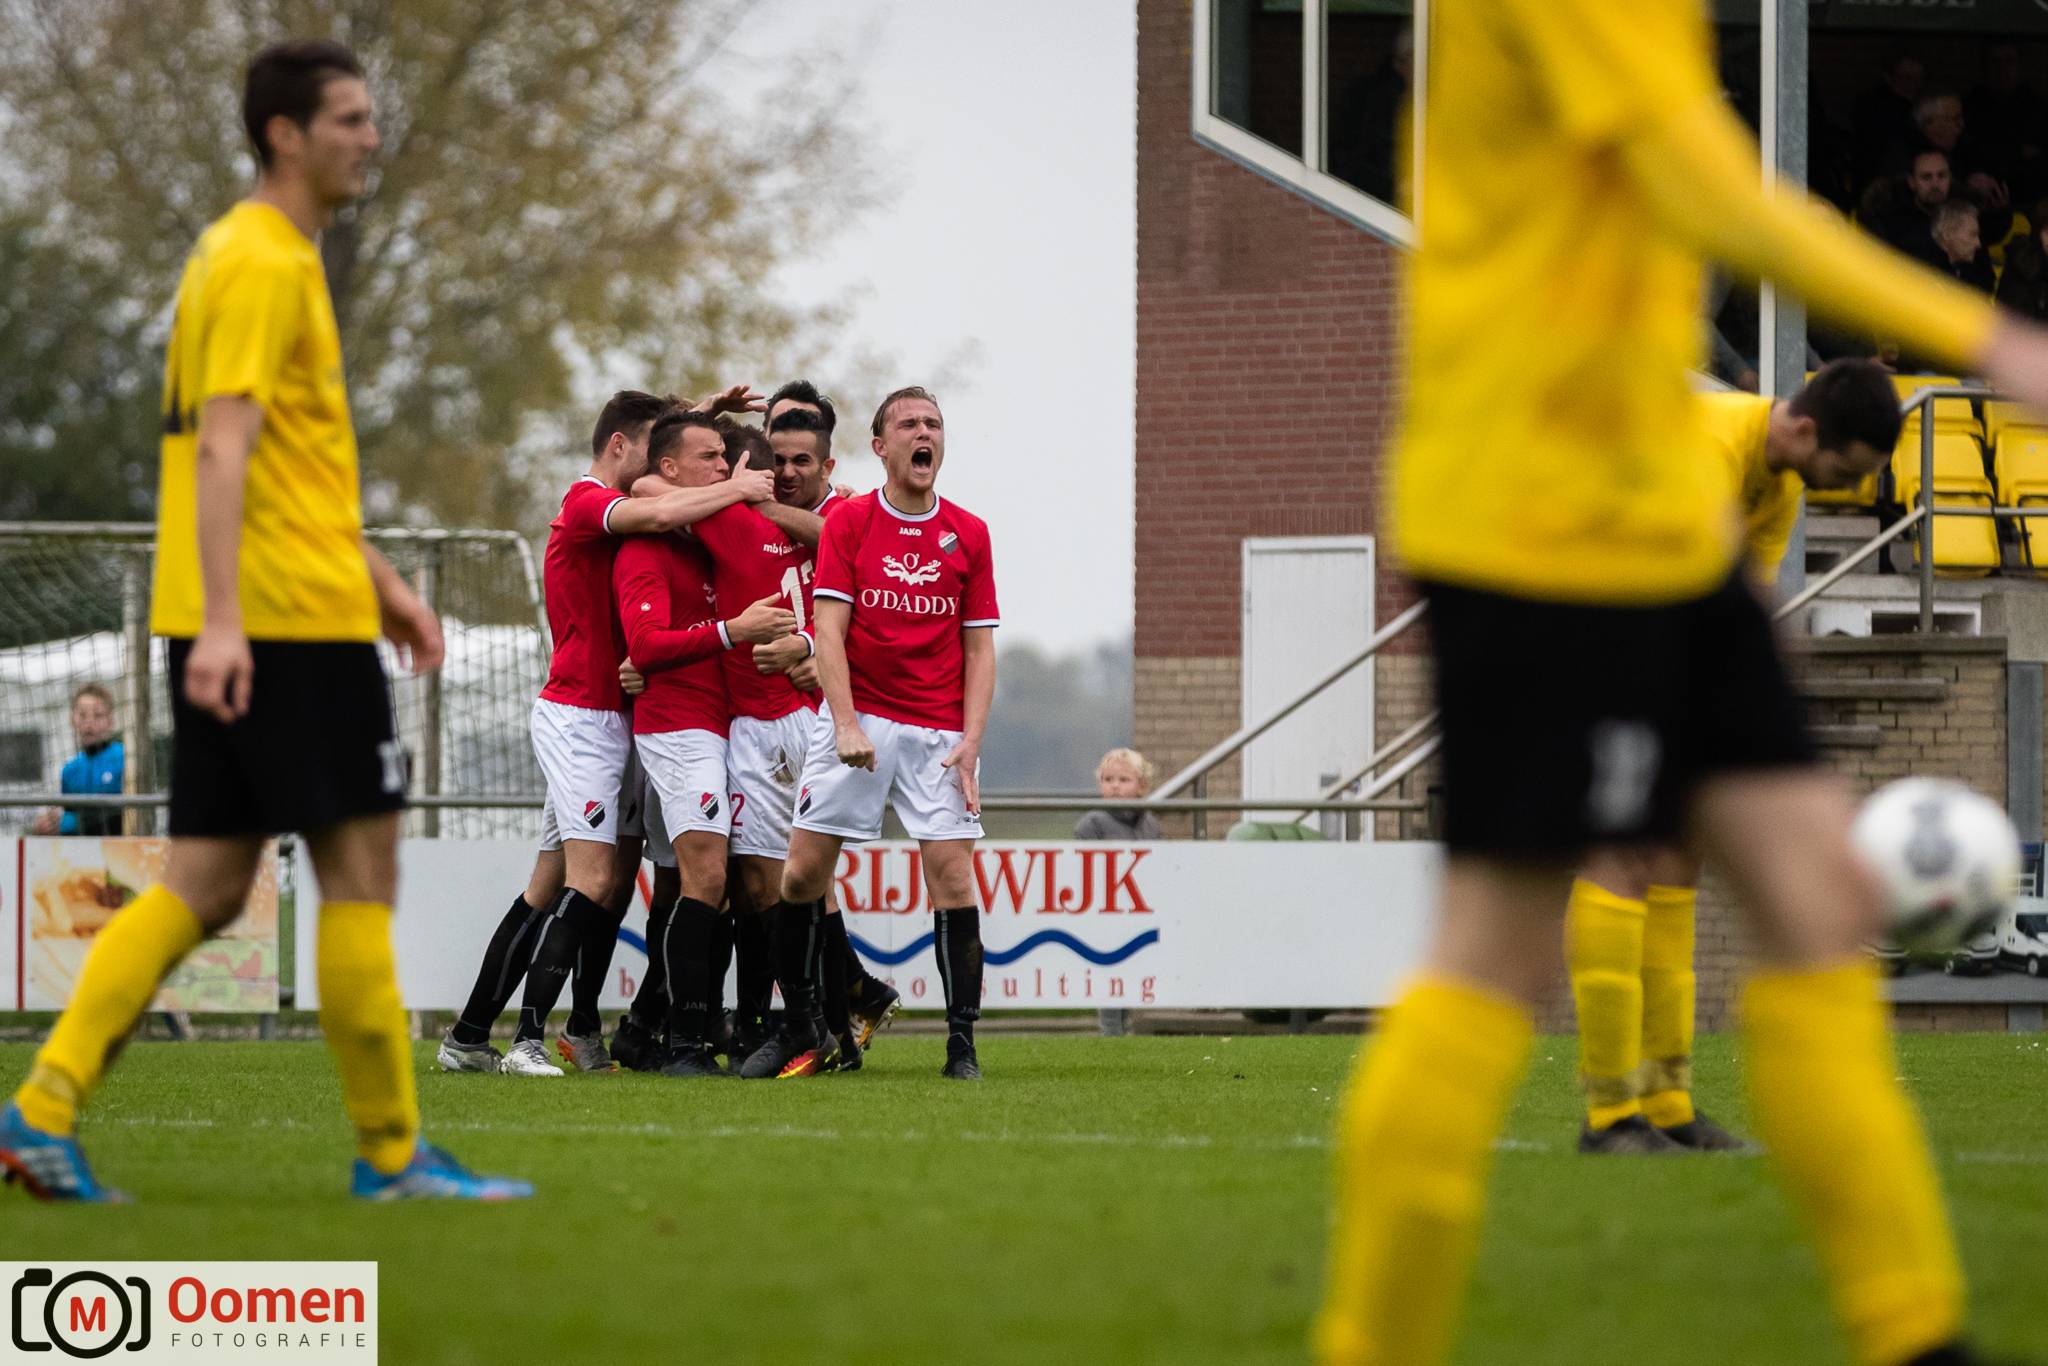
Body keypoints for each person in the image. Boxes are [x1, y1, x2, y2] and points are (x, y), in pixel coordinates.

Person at [1312, 3, 2048, 1364]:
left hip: (1658, 525)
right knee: (1496, 946)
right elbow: (1699, 181)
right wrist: (1987, 339)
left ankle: (1915, 1332)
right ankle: (1380, 1334)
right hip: (1534, 518)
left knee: (1818, 897)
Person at [0, 41, 530, 1201]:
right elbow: (222, 449)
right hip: (284, 625)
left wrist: (385, 583)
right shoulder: (260, 260)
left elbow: (288, 467)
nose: (371, 136)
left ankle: (40, 1109)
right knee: (361, 872)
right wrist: (232, 622)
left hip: (273, 608)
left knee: (201, 883)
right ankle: (391, 1153)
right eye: (350, 117)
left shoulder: (245, 254)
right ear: (285, 134)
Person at [1566, 360, 1903, 1157]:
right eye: (1844, 468)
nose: (1844, 487)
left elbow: (1744, 605)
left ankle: (1667, 1101)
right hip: (1594, 641)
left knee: (1675, 866)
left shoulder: (1778, 485)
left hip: (1665, 652)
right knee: (1621, 858)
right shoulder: (1712, 441)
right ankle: (1610, 1115)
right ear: (1807, 431)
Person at [438, 390, 771, 1079]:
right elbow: (663, 503)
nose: (655, 465)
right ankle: (528, 1040)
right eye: (649, 450)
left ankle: (471, 1036)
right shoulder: (586, 501)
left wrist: (704, 411)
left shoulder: (631, 489)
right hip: (581, 717)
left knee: (555, 886)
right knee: (591, 880)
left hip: (617, 718)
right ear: (619, 446)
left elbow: (665, 453)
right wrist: (738, 486)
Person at [775, 387, 998, 1081]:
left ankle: (961, 1046)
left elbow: (980, 649)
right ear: (880, 446)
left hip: (939, 730)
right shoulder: (850, 521)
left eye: (933, 424)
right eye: (908, 424)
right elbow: (828, 633)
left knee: (953, 877)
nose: (923, 433)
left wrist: (971, 741)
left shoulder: (969, 532)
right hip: (861, 715)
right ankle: (817, 1030)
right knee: (801, 876)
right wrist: (843, 722)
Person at [615, 408, 793, 1077]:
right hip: (677, 727)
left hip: (722, 727)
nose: (725, 466)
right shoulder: (645, 546)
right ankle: (682, 1043)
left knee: (722, 885)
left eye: (727, 456)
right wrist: (732, 632)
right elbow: (645, 647)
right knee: (705, 878)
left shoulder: (701, 538)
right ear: (670, 468)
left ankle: (663, 1029)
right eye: (711, 457)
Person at [29, 684, 124, 837]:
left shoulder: (124, 759)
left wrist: (68, 822)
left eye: (98, 715)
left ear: (111, 721)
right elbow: (69, 820)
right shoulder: (70, 770)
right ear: (72, 720)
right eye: (82, 715)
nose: (89, 723)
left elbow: (123, 816)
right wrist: (48, 826)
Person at [1074, 748, 1162, 842]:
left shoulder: (1150, 823)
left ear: (1142, 786)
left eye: (1124, 780)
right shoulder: (1092, 823)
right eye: (1108, 779)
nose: (1115, 786)